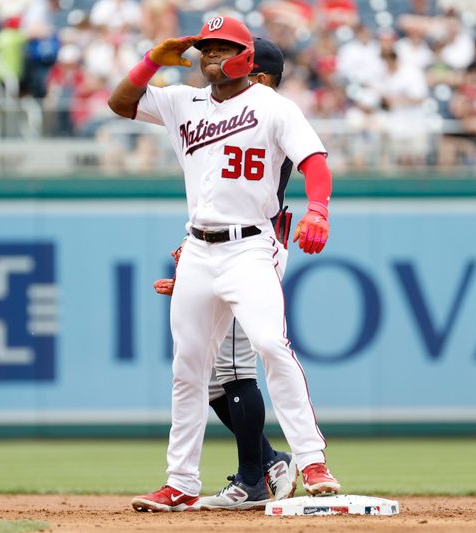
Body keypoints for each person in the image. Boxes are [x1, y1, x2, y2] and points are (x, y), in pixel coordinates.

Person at [107, 16, 340, 513]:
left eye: (223, 46)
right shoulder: (180, 100)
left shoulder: (273, 107)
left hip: (250, 246)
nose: (212, 53)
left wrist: (318, 209)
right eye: (206, 46)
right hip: (197, 248)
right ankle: (181, 482)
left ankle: (312, 459)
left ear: (246, 57)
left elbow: (314, 163)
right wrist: (152, 59)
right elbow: (119, 102)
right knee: (188, 368)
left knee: (270, 346)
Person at [151, 37, 299, 511]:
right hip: (222, 254)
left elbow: (246, 203)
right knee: (214, 379)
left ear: (263, 78)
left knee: (234, 369)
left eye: (251, 69)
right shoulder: (244, 114)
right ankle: (268, 460)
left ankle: (257, 475)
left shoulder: (269, 114)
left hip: (251, 253)